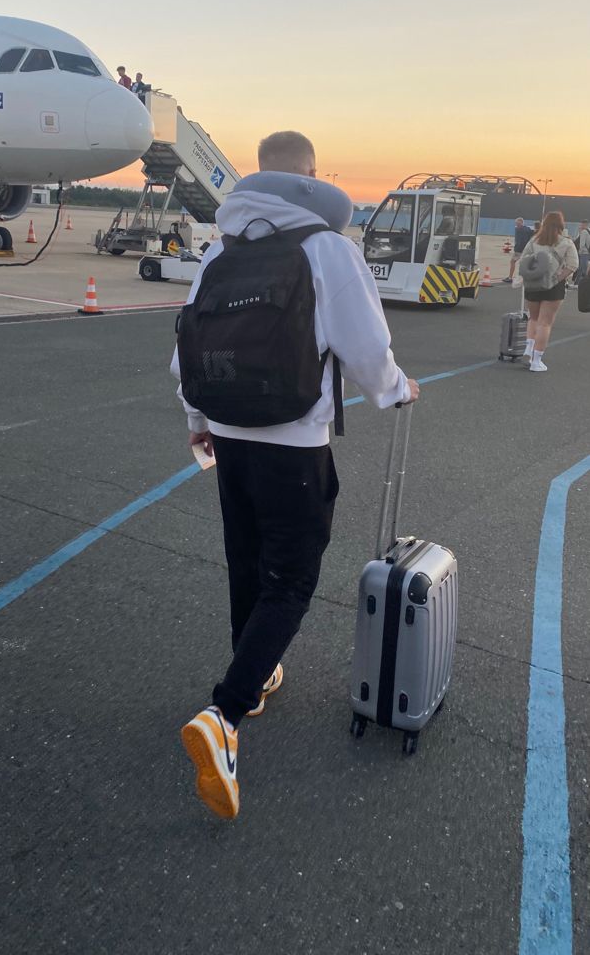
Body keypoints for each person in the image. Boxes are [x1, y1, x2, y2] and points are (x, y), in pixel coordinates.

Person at [171, 130, 419, 820]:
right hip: (292, 438)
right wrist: (395, 389)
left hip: (225, 428)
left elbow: (184, 343)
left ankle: (251, 679)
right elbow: (366, 345)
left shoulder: (221, 248)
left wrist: (195, 414)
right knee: (292, 575)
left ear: (257, 177)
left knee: (244, 558)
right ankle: (223, 716)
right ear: (311, 178)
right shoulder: (326, 248)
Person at [521, 211, 578, 373]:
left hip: (533, 284)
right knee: (545, 323)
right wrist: (557, 279)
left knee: (533, 318)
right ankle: (536, 361)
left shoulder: (534, 240)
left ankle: (528, 350)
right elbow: (573, 265)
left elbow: (524, 259)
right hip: (553, 287)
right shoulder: (566, 242)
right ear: (561, 225)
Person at [503, 217, 534, 283]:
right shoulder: (527, 229)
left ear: (521, 223)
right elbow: (534, 234)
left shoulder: (519, 229)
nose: (517, 224)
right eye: (516, 223)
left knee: (513, 262)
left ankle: (510, 277)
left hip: (519, 250)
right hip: (525, 250)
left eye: (518, 223)